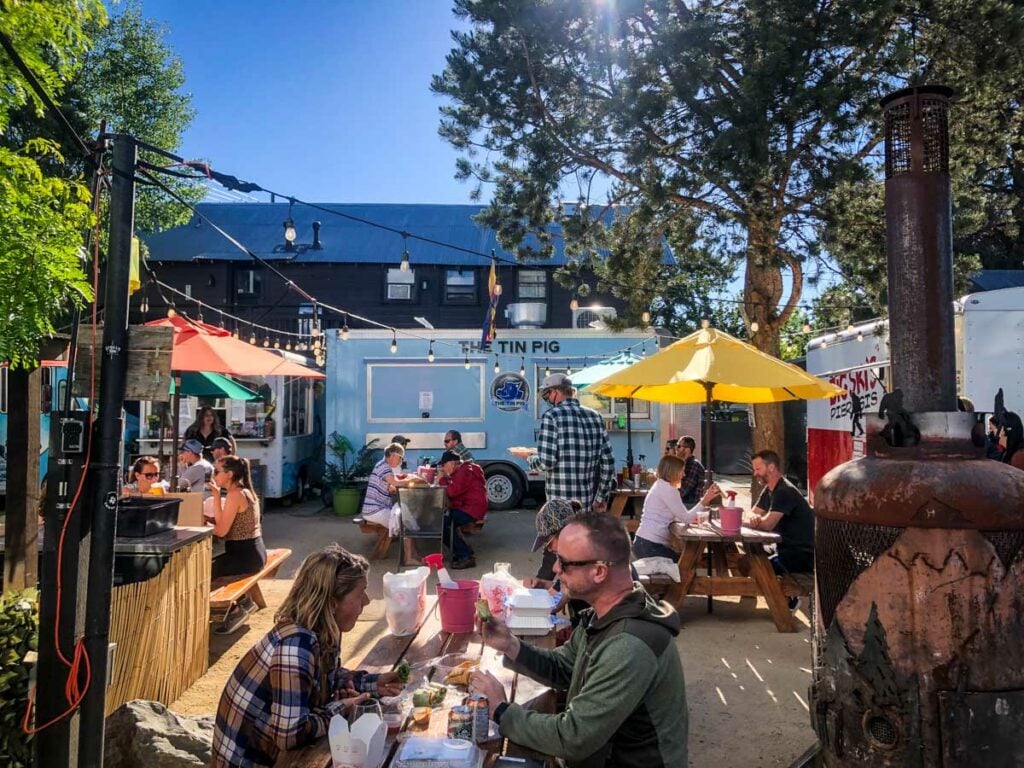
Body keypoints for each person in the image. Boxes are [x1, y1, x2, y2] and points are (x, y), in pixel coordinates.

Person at [469, 514, 688, 767]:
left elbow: (573, 738)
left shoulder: (628, 644)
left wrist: (500, 710)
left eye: (565, 563)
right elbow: (565, 668)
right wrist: (510, 644)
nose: (555, 569)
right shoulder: (607, 613)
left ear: (599, 571)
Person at [212, 544, 405, 767]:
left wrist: (372, 684)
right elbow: (289, 734)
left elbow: (326, 677)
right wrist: (342, 708)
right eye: (361, 593)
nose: (367, 601)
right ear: (333, 603)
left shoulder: (320, 630)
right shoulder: (295, 646)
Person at [509, 373, 615, 511]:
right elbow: (608, 461)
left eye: (547, 394)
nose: (546, 398)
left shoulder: (551, 416)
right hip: (586, 503)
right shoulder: (595, 416)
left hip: (559, 506)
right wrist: (600, 498)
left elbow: (546, 462)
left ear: (556, 392)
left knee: (560, 534)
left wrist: (528, 457)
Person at [633, 454, 721, 560]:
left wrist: (690, 517)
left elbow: (673, 514)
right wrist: (705, 500)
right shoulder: (669, 490)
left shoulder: (660, 485)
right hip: (650, 545)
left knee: (682, 563)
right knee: (683, 566)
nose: (684, 475)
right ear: (673, 472)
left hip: (644, 542)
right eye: (682, 471)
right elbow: (686, 518)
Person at [744, 450, 815, 575]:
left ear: (771, 467)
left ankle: (776, 595)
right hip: (783, 547)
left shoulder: (784, 491)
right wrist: (753, 517)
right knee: (746, 560)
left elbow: (768, 525)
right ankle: (753, 594)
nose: (755, 474)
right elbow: (752, 513)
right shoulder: (770, 489)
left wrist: (753, 521)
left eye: (758, 469)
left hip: (801, 554)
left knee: (757, 567)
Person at [207, 454, 267, 579]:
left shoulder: (235, 494)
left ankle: (237, 599)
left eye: (217, 471)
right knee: (209, 567)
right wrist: (216, 496)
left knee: (202, 571)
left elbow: (221, 532)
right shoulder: (244, 490)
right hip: (253, 553)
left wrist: (203, 524)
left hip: (245, 557)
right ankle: (243, 599)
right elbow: (221, 524)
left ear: (229, 474)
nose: (213, 476)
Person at [361, 441, 417, 562]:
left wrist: (394, 486)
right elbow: (395, 483)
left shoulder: (382, 465)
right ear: (392, 455)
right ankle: (409, 558)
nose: (400, 461)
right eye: (400, 458)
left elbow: (391, 485)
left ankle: (412, 555)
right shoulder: (384, 467)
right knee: (406, 522)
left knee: (406, 517)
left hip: (374, 509)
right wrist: (412, 481)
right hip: (375, 510)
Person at [437, 450, 487, 569]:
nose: (443, 468)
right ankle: (462, 551)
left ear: (452, 463)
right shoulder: (464, 470)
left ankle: (465, 555)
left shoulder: (464, 471)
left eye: (444, 465)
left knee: (443, 524)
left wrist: (441, 480)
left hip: (471, 508)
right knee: (445, 520)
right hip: (472, 506)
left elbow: (453, 491)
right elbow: (457, 488)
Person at [673, 435, 706, 506]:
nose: (676, 448)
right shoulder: (683, 463)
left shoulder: (693, 465)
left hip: (690, 506)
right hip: (683, 505)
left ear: (687, 449)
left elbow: (682, 491)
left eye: (679, 446)